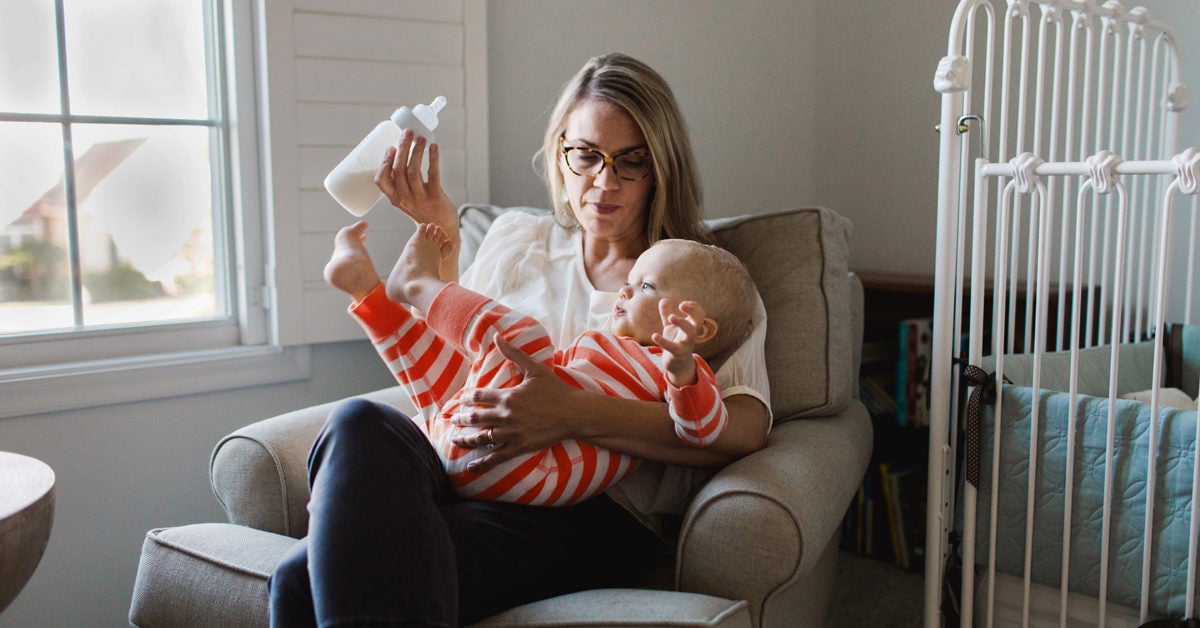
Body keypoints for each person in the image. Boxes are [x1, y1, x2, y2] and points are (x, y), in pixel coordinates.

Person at [269, 52, 772, 627]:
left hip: (590, 511)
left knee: (299, 581)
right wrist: (442, 236)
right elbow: (458, 374)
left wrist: (574, 413)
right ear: (561, 151)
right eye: (586, 156)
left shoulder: (700, 286)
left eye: (631, 162)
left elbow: (744, 431)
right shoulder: (518, 238)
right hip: (470, 463)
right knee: (358, 421)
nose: (603, 182)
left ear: (662, 168)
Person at [342, 221, 756, 507]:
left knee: (519, 340)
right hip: (474, 453)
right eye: (628, 283)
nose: (624, 293)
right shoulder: (607, 348)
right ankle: (373, 300)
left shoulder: (674, 368)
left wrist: (682, 369)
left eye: (645, 287)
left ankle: (415, 284)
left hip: (532, 469)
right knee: (465, 378)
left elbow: (701, 431)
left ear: (700, 330)